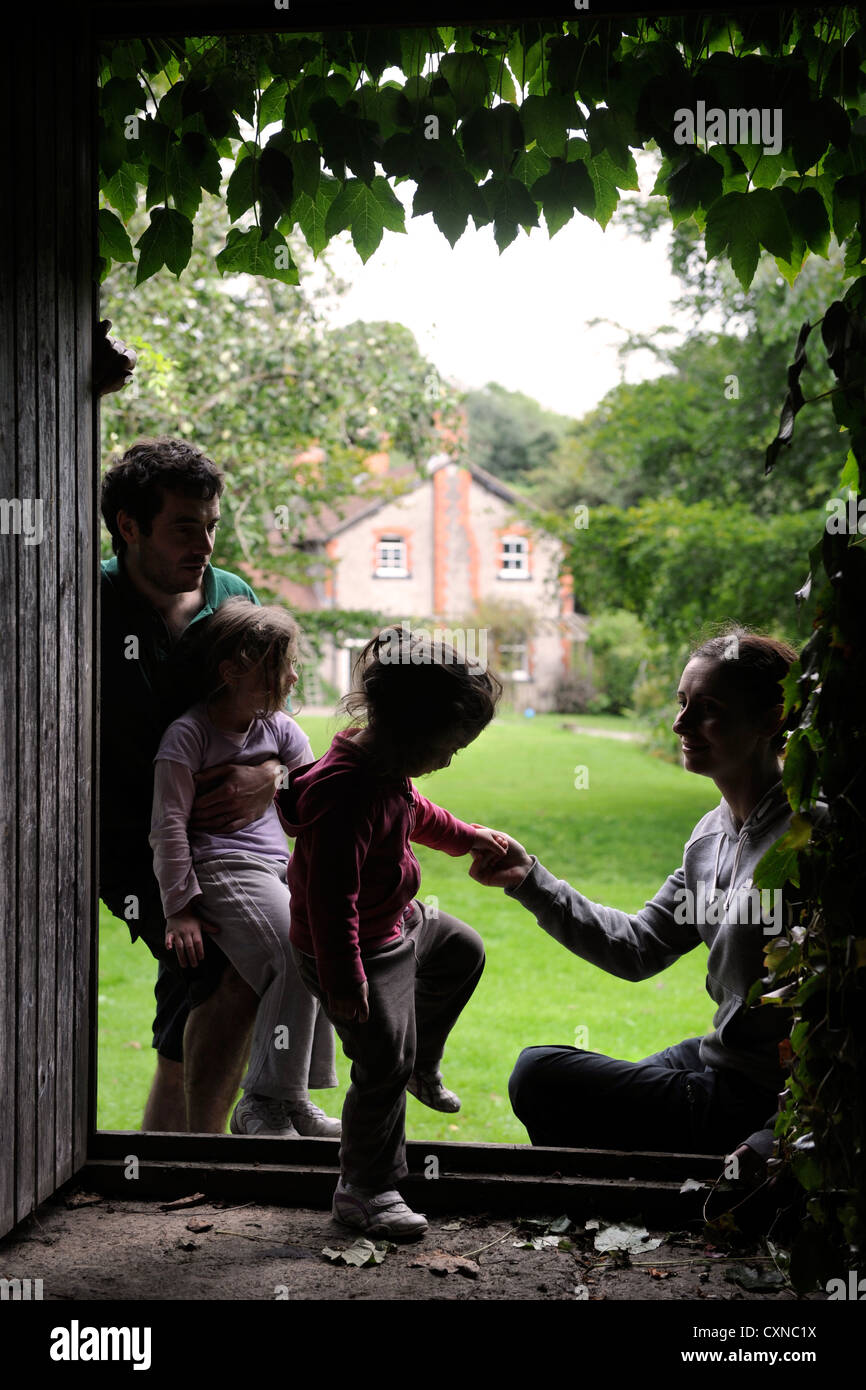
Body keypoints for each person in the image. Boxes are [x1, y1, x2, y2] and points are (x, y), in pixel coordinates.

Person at [469, 627, 801, 1182]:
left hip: (762, 1096)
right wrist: (528, 879)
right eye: (681, 703)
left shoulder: (810, 842)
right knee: (580, 1103)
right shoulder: (710, 834)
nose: (680, 725)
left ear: (770, 720)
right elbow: (638, 947)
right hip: (717, 1061)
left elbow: (843, 1021)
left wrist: (779, 1137)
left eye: (708, 709)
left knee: (539, 1075)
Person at [279, 627, 508, 1239]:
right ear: (412, 727)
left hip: (394, 921)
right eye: (451, 745)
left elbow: (414, 812)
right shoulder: (345, 791)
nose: (451, 759)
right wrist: (346, 982)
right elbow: (331, 903)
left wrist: (468, 837)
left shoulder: (382, 769)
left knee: (461, 949)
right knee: (379, 1063)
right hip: (351, 949)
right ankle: (365, 1189)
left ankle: (420, 1062)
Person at [100, 438, 285, 1133]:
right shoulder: (86, 603)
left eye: (212, 524)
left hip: (228, 839)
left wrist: (273, 773)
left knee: (217, 976)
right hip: (127, 840)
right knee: (217, 965)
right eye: (185, 526)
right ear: (129, 524)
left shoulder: (234, 597)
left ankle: (175, 1159)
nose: (205, 543)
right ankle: (199, 1155)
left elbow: (272, 714)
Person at [149, 598, 341, 1138]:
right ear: (233, 671)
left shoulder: (279, 731)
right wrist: (180, 908)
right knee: (294, 947)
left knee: (320, 947)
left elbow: (317, 801)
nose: (294, 675)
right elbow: (167, 826)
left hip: (276, 869)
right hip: (222, 868)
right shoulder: (188, 737)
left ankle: (293, 1099)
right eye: (282, 664)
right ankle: (263, 1104)